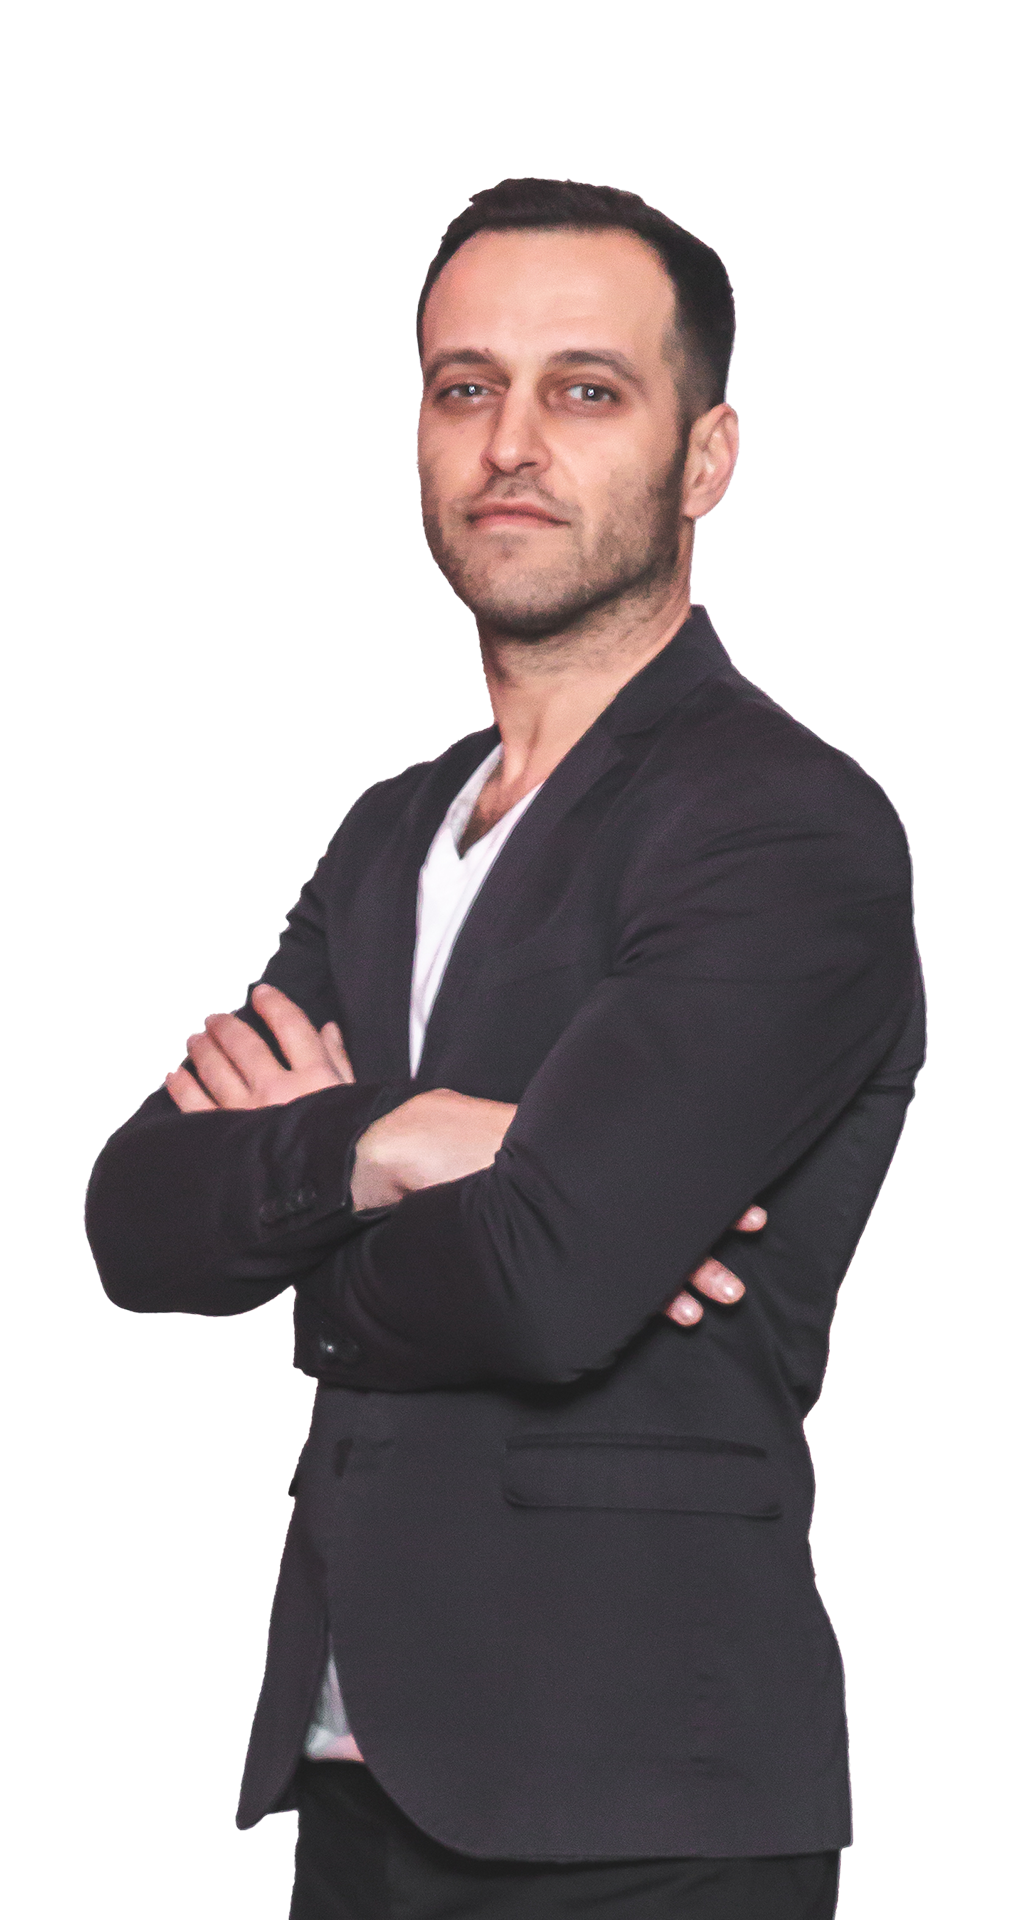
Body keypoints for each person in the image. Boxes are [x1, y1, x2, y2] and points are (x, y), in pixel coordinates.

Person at [86, 178, 924, 1920]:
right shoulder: (390, 834)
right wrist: (394, 1140)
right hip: (358, 1769)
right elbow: (140, 1222)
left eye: (585, 390)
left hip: (636, 1798)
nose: (511, 443)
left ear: (704, 457)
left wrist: (323, 1218)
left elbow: (547, 1285)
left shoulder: (783, 826)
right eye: (465, 387)